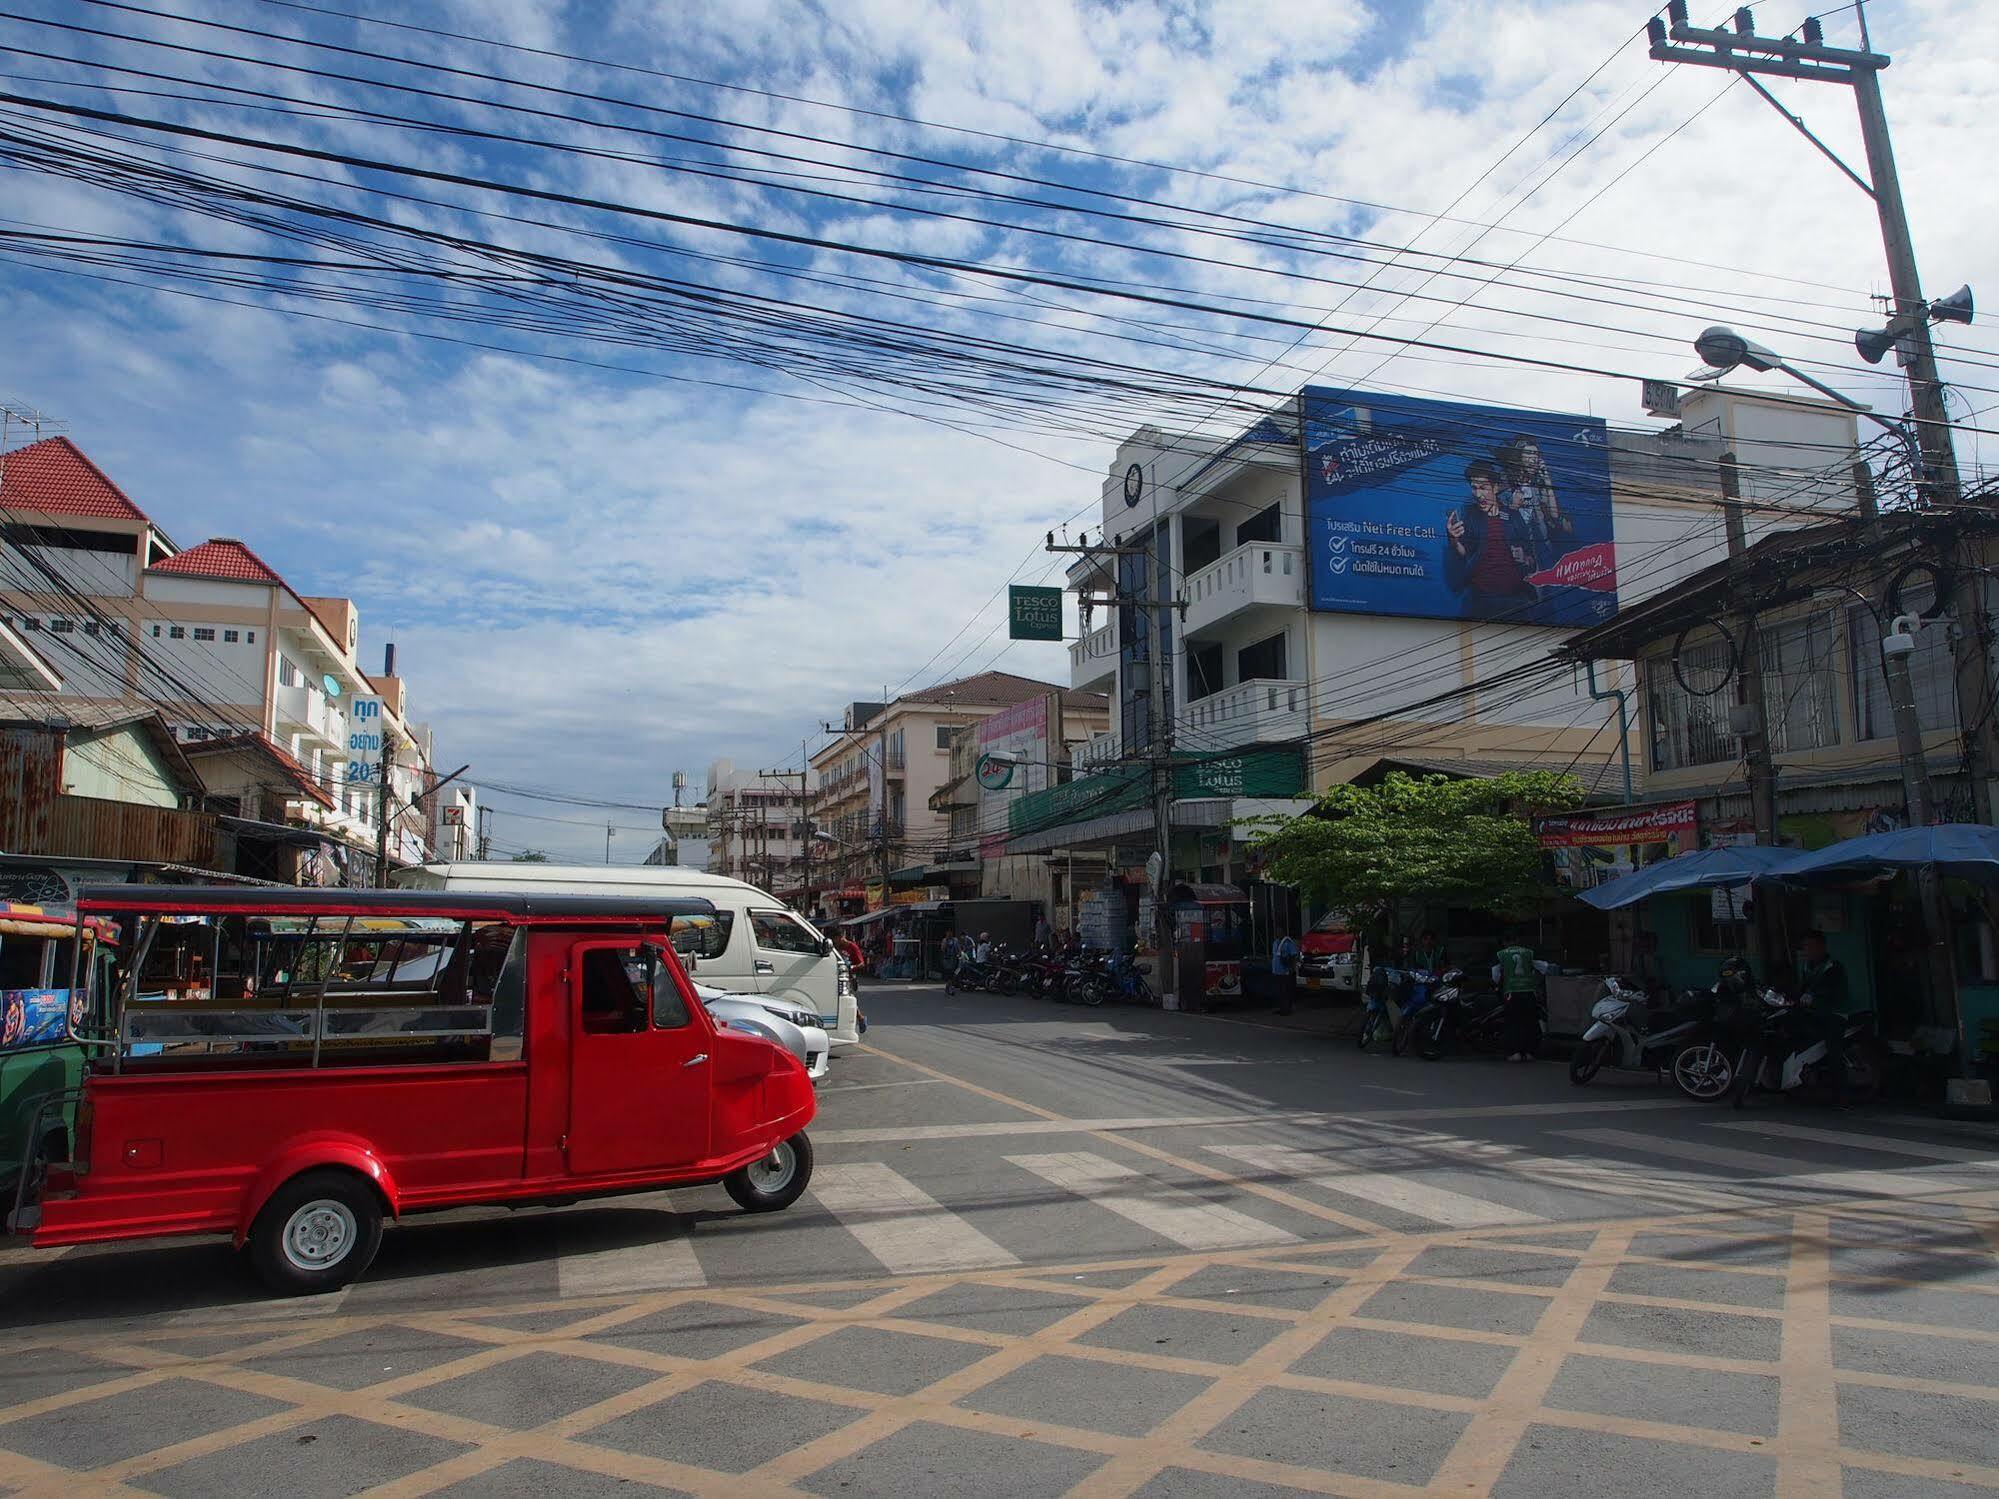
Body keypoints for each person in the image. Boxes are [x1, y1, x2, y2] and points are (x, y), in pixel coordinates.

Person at [1444, 460, 1539, 617]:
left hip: (1515, 598)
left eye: (1483, 488)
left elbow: (1532, 561)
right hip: (1482, 599)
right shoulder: (1469, 515)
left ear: (1495, 488)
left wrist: (1525, 558)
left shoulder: (1513, 517)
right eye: (1474, 488)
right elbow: (1463, 552)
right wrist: (1453, 539)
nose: (1478, 494)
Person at [1794, 929, 1852, 1105]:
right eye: (1805, 947)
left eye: (1810, 946)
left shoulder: (1833, 966)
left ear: (1821, 947)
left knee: (1834, 1052)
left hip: (1833, 1014)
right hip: (1812, 1013)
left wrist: (1814, 995)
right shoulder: (1807, 967)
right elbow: (1801, 988)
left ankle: (1841, 1096)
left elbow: (1831, 990)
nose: (1807, 950)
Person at [1499, 436, 1567, 569]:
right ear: (1519, 458)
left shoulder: (1538, 486)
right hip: (1518, 555)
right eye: (1528, 454)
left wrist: (1547, 482)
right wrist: (1514, 506)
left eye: (1536, 454)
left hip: (1544, 553)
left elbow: (1554, 515)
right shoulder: (1506, 487)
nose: (1533, 459)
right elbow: (1501, 524)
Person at [1492, 932, 1543, 1062]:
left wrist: (1498, 985)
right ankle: (1529, 1052)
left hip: (1511, 992)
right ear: (1517, 939)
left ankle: (1515, 1053)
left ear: (1504, 942)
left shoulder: (1501, 954)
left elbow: (1495, 975)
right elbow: (1543, 967)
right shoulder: (1528, 952)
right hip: (1529, 992)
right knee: (1530, 1022)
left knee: (1513, 1022)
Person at [1271, 927, 1300, 1016]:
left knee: (1286, 991)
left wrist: (1291, 968)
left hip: (1285, 971)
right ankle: (1282, 1008)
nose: (1277, 933)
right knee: (1280, 991)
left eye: (1279, 932)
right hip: (1277, 970)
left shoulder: (1287, 942)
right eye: (1276, 932)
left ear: (1283, 933)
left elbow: (1293, 955)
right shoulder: (1275, 942)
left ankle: (1287, 1009)